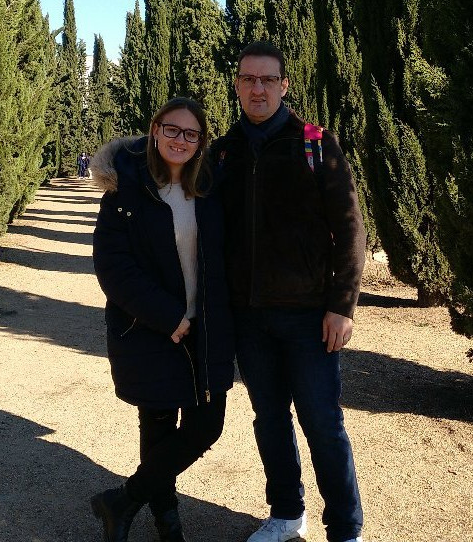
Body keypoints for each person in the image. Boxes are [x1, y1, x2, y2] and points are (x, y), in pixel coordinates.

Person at [213, 41, 366, 542]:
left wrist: (341, 306)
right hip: (250, 317)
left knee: (322, 422)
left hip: (308, 317)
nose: (257, 89)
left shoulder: (316, 142)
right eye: (247, 80)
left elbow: (350, 229)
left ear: (283, 85)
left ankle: (345, 529)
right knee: (269, 418)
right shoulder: (225, 150)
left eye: (266, 80)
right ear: (237, 86)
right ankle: (285, 512)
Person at [90, 97, 235, 542]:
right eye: (172, 130)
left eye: (191, 134)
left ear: (201, 142)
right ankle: (166, 518)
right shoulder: (128, 188)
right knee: (156, 426)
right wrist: (167, 316)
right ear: (155, 130)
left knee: (205, 426)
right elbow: (113, 266)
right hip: (150, 329)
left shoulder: (211, 187)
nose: (180, 140)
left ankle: (123, 500)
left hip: (204, 328)